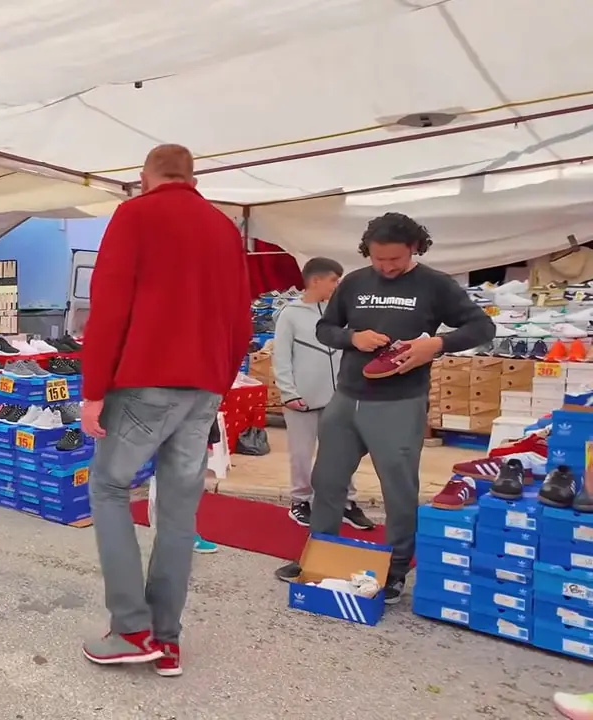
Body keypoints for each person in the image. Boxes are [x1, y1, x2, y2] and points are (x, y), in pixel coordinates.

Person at [78, 144, 251, 676]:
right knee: (178, 513)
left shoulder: (134, 215)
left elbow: (108, 306)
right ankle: (166, 640)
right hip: (203, 388)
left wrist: (92, 391)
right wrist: (218, 383)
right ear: (192, 175)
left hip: (143, 381)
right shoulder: (224, 228)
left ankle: (130, 628)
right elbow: (241, 318)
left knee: (108, 489)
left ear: (143, 177)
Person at [272, 213, 496, 603]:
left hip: (399, 403)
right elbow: (326, 329)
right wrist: (352, 337)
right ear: (367, 252)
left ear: (414, 248)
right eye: (379, 259)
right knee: (326, 482)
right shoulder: (356, 282)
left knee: (398, 490)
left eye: (395, 259)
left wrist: (436, 345)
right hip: (345, 398)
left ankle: (393, 571)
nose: (387, 267)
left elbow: (482, 328)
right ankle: (318, 553)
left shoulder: (436, 284)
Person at [272, 257, 375, 531]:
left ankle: (346, 502)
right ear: (316, 280)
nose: (337, 286)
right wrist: (288, 392)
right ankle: (300, 501)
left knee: (342, 453)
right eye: (334, 280)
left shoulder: (339, 313)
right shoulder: (290, 314)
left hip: (339, 398)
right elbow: (280, 357)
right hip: (301, 400)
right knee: (302, 454)